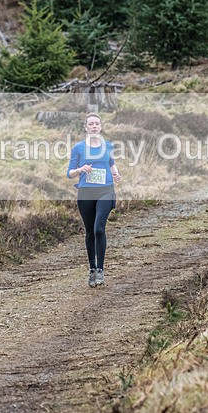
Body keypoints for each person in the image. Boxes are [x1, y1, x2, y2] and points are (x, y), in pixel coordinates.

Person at [67, 112, 122, 288]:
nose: (94, 126)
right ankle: (92, 269)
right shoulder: (79, 148)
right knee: (90, 231)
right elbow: (69, 173)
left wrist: (115, 172)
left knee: (99, 228)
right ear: (85, 127)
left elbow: (111, 163)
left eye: (97, 123)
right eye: (90, 124)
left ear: (101, 126)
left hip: (105, 190)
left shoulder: (108, 145)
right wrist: (80, 169)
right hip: (85, 192)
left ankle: (100, 269)